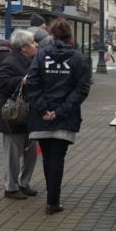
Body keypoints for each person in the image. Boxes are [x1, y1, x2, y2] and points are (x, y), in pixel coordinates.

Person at [26, 18, 91, 215]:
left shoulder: (41, 55)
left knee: (47, 157)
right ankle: (52, 201)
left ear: (52, 36)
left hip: (41, 117)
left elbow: (33, 82)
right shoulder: (78, 58)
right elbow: (82, 89)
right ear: (70, 36)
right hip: (65, 117)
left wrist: (44, 109)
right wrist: (60, 111)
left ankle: (51, 198)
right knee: (58, 158)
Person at [0, 29, 39, 201]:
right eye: (33, 42)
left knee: (31, 152)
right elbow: (0, 83)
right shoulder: (10, 62)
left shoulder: (33, 60)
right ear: (23, 47)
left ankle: (24, 183)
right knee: (13, 155)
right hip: (14, 116)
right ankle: (11, 187)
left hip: (29, 116)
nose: (36, 45)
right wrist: (22, 80)